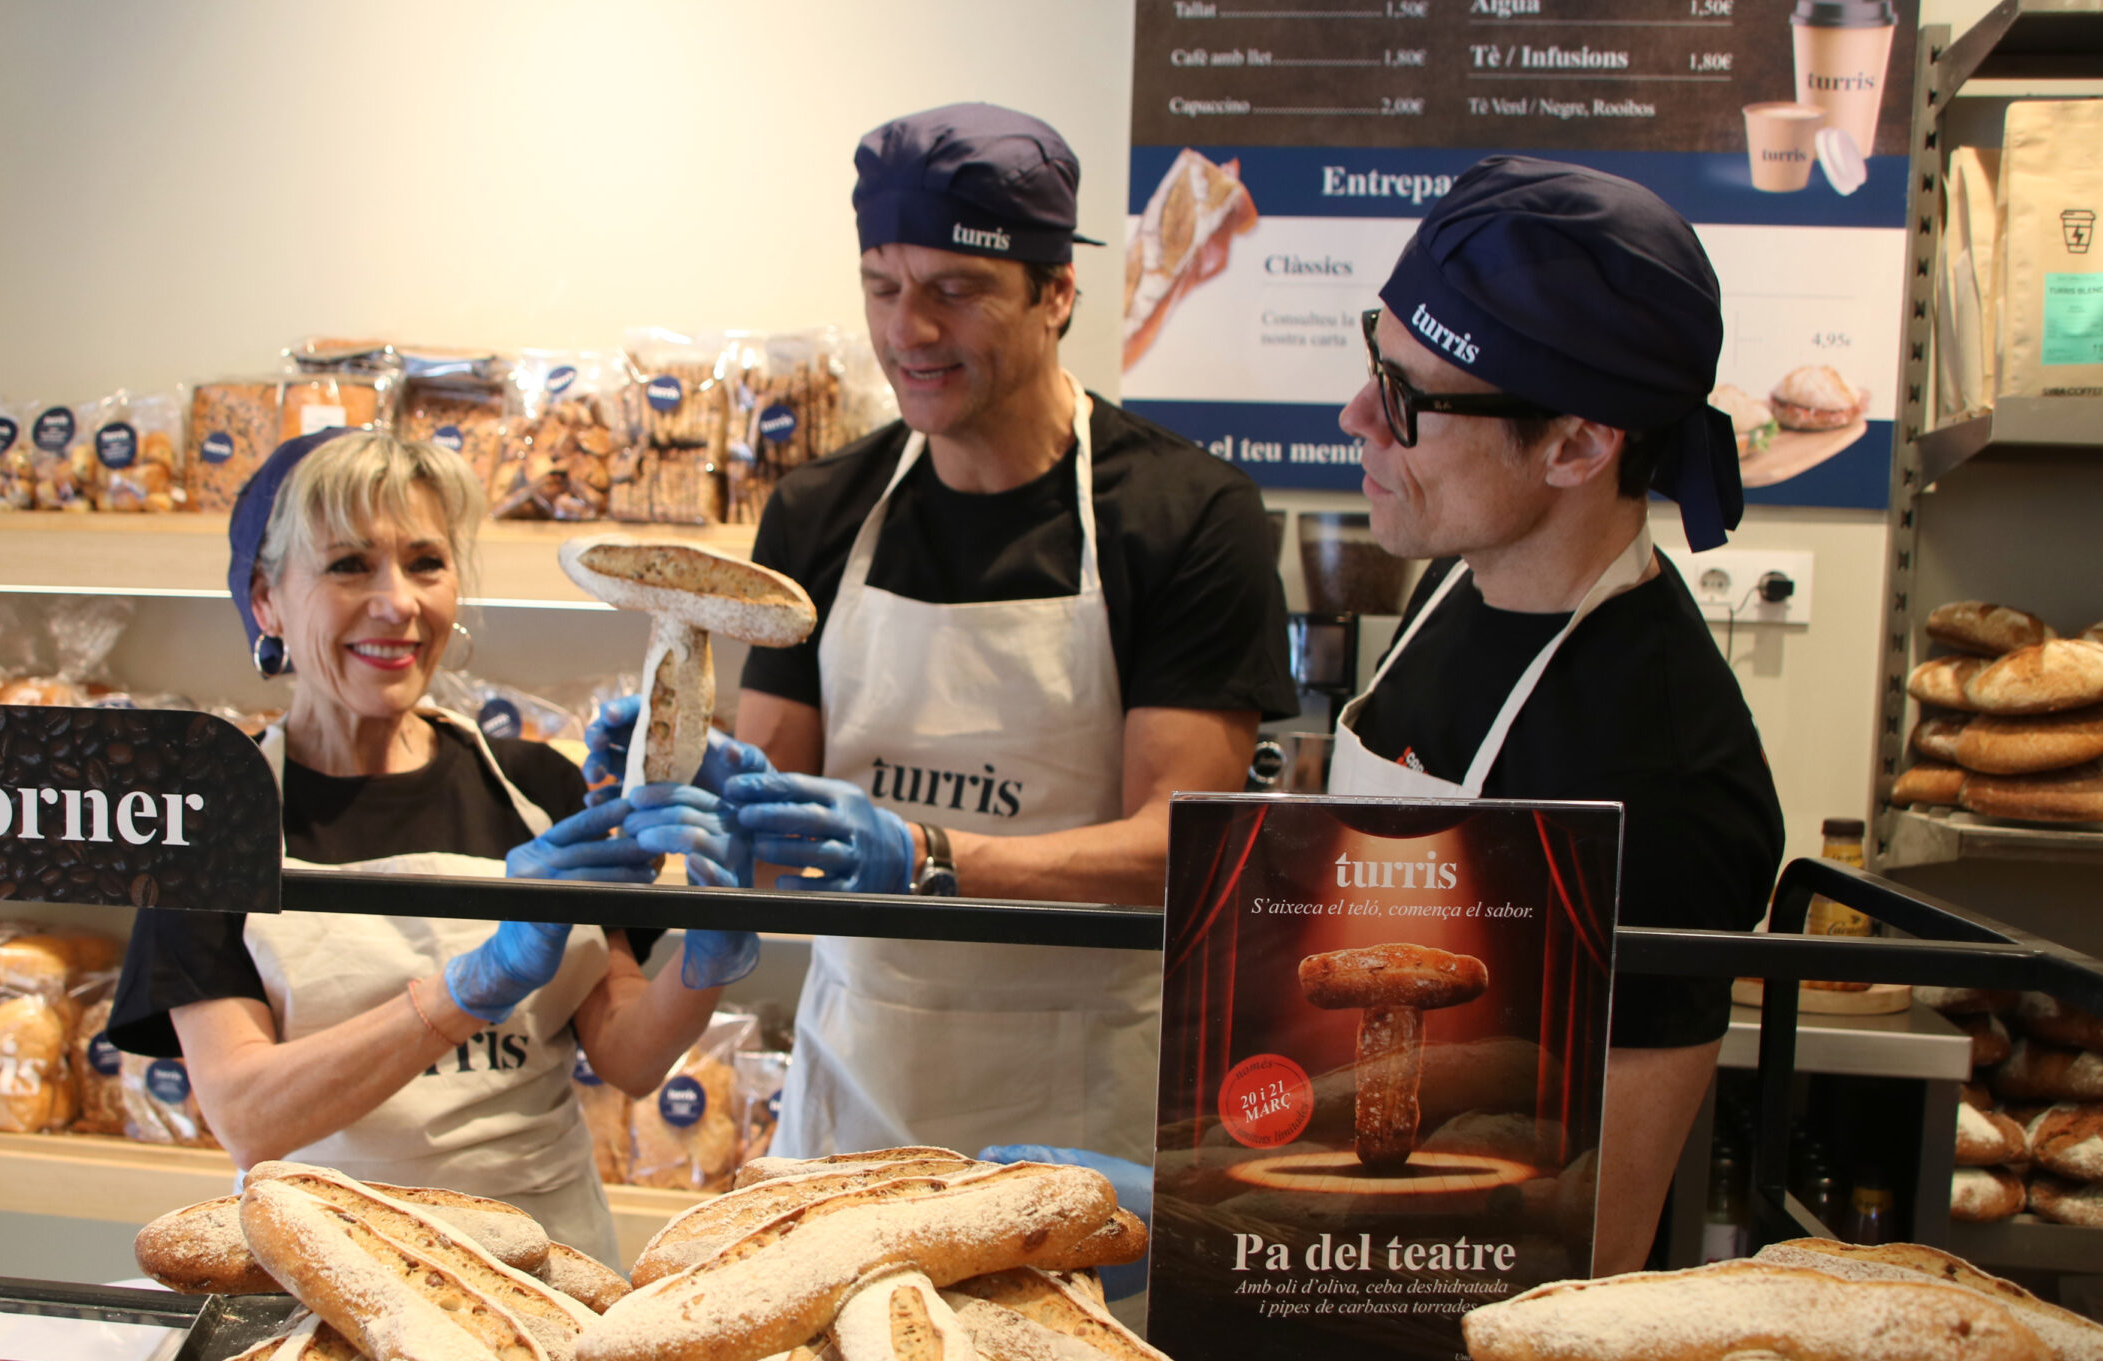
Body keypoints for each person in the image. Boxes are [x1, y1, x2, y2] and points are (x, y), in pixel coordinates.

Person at [589, 102, 1297, 1166]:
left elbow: (1178, 850)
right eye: (883, 288)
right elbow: (765, 845)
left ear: (1057, 293)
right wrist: (684, 780)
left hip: (1086, 1091)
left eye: (955, 291)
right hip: (861, 1076)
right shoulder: (821, 513)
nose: (908, 331)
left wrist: (928, 856)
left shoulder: (1186, 515)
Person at [105, 428, 751, 1263]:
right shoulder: (209, 821)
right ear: (266, 600)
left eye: (425, 563)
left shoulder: (535, 788)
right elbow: (248, 1114)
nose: (398, 602)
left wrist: (712, 946)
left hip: (544, 1261)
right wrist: (469, 987)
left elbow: (629, 1057)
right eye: (349, 565)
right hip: (327, 1265)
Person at [1326, 155, 1787, 1274]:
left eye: (1406, 399)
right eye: (1374, 361)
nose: (1355, 417)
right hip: (1329, 1241)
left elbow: (1593, 1238)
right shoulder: (1457, 585)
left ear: (1578, 445)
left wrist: (1256, 1226)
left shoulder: (1668, 779)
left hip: (1473, 1337)